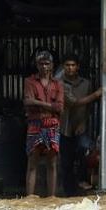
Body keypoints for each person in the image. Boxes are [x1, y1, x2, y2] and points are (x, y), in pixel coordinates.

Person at [59, 54, 102, 195]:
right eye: (67, 65)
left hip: (81, 127)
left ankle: (81, 184)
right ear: (63, 67)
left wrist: (83, 123)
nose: (70, 68)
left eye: (73, 65)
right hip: (64, 128)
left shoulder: (86, 84)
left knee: (84, 152)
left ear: (77, 67)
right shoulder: (59, 83)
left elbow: (89, 108)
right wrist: (96, 95)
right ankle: (68, 194)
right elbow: (73, 103)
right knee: (66, 163)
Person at [23, 50, 64, 197]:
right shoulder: (30, 81)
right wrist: (50, 106)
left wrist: (37, 102)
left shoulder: (57, 84)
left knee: (52, 164)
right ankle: (29, 197)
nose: (44, 67)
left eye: (47, 64)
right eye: (41, 64)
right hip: (35, 124)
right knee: (32, 162)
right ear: (37, 65)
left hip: (52, 125)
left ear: (52, 65)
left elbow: (60, 107)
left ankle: (52, 197)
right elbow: (27, 102)